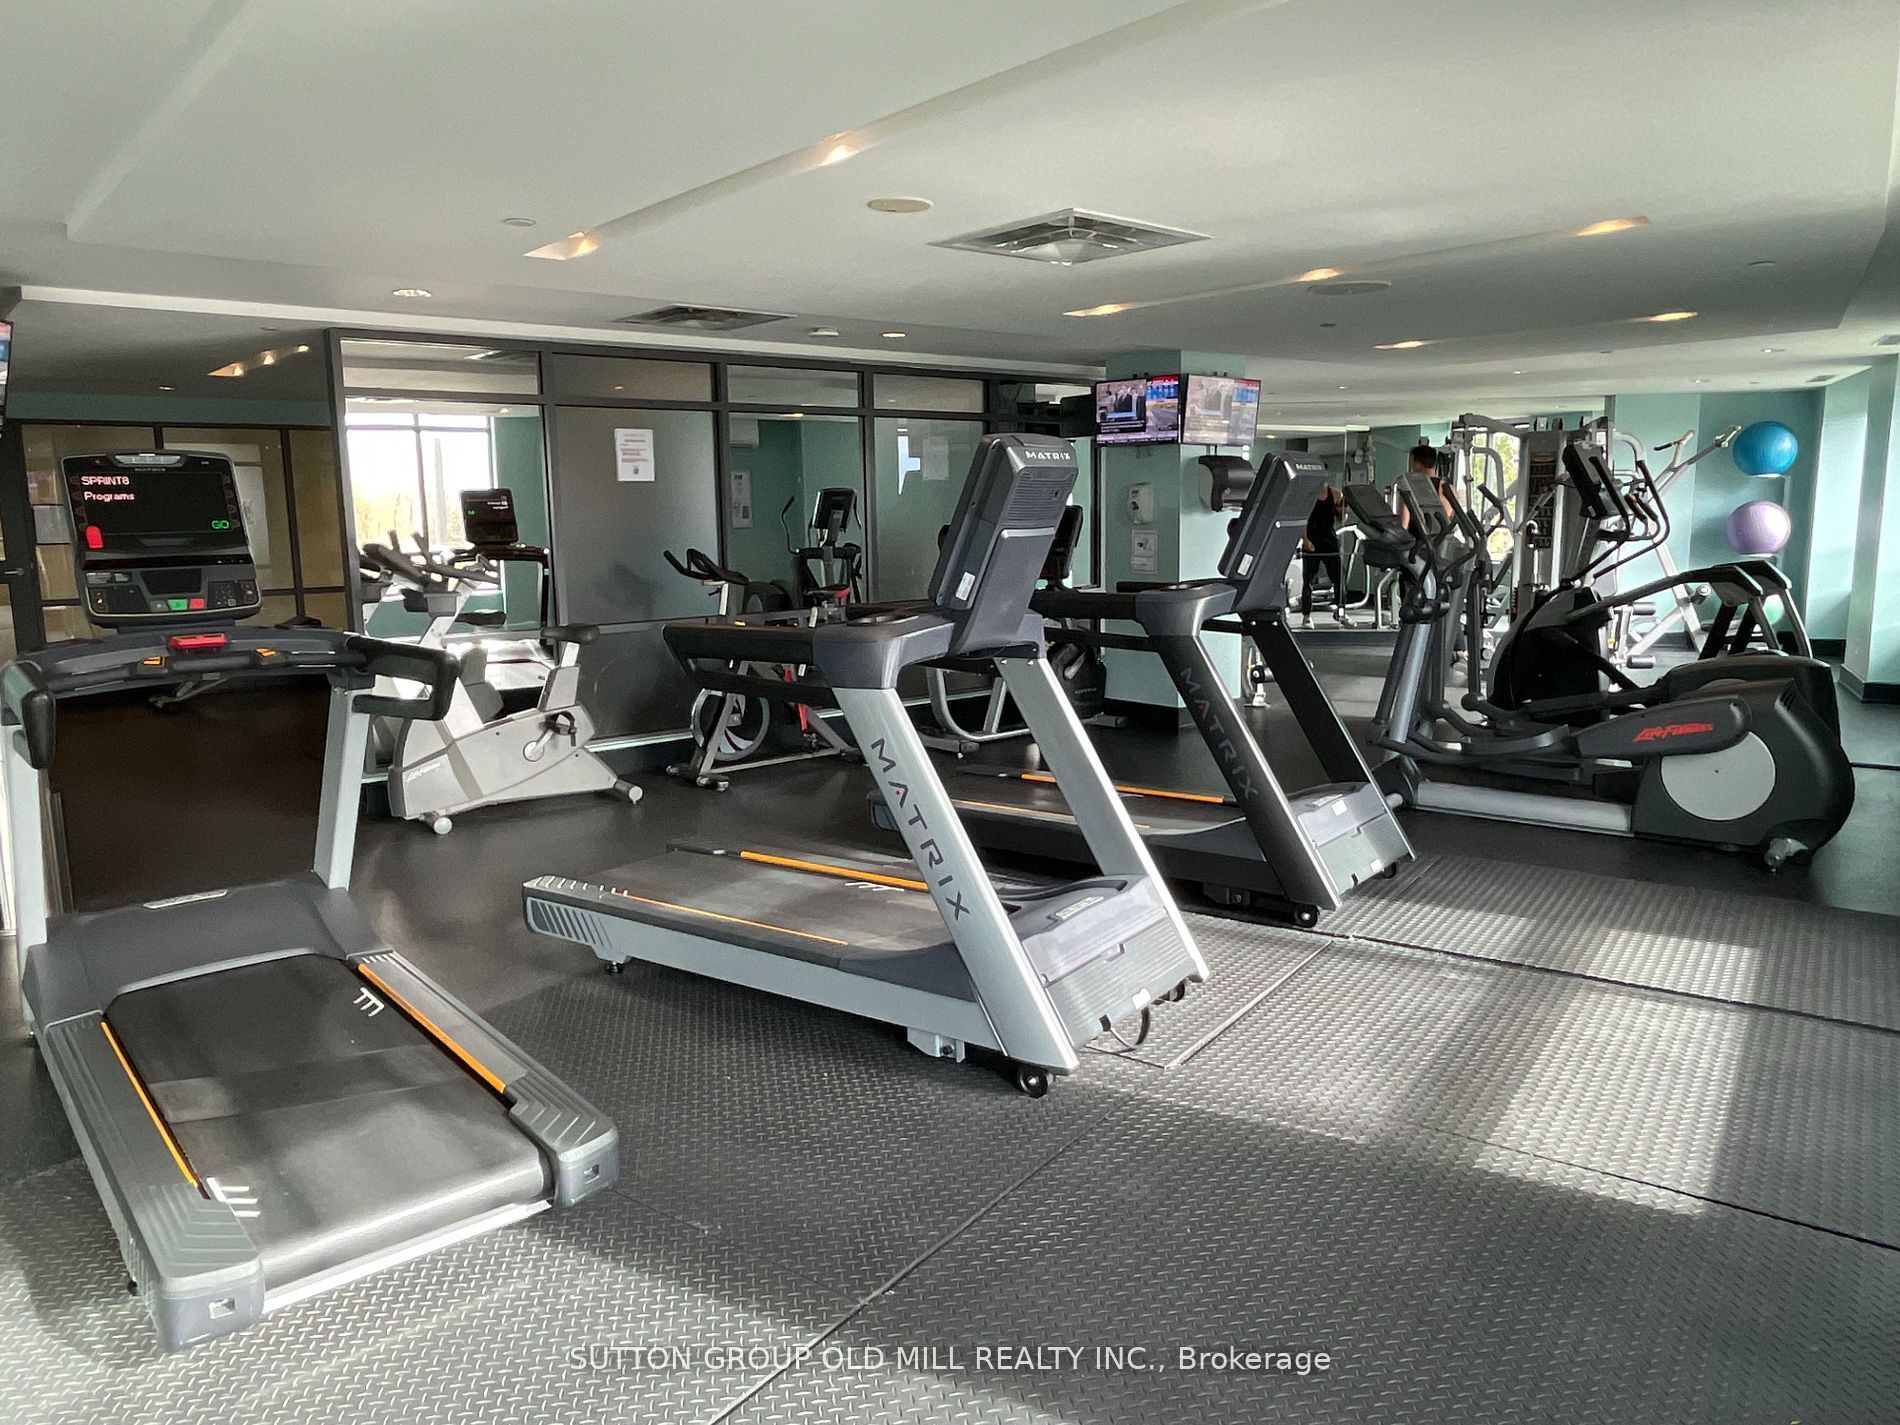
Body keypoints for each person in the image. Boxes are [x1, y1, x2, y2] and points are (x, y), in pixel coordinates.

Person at [1298, 483, 1350, 627]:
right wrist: (1305, 540)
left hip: (1329, 541)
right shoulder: (1307, 496)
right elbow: (1303, 520)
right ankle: (1306, 616)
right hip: (1312, 542)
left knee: (1339, 577)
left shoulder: (1335, 494)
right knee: (1308, 580)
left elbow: (1342, 519)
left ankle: (1340, 611)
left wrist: (1342, 510)